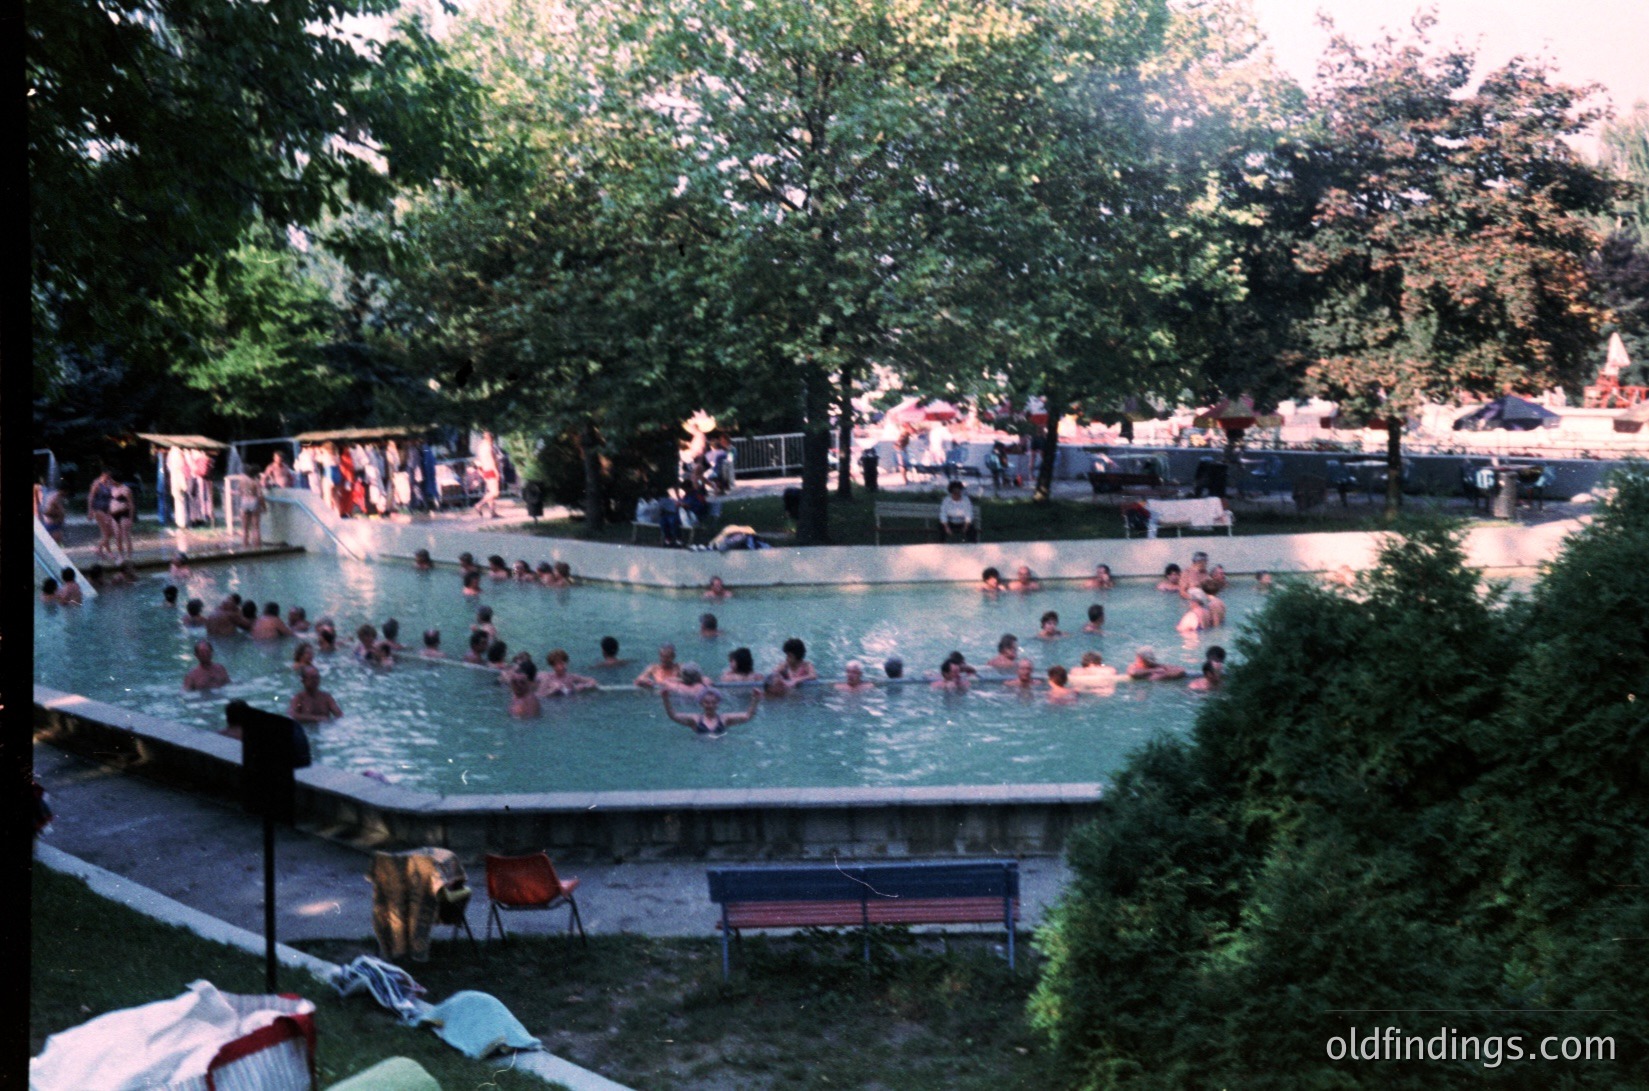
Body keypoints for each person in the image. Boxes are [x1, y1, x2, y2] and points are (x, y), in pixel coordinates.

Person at [662, 687, 759, 736]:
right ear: (701, 704)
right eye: (707, 703)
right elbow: (673, 716)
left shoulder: (725, 719)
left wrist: (756, 699)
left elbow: (747, 716)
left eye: (713, 703)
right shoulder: (695, 719)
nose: (710, 705)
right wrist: (665, 698)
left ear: (718, 704)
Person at [87, 468, 116, 560]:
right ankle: (105, 551)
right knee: (106, 532)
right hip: (98, 509)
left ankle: (101, 550)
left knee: (110, 532)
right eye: (107, 476)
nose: (108, 478)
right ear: (103, 474)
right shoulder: (96, 484)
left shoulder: (110, 483)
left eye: (110, 476)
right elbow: (91, 497)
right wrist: (90, 510)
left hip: (108, 510)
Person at [472, 431, 501, 518]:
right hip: (491, 470)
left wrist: (480, 470)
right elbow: (492, 460)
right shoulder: (489, 447)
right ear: (490, 438)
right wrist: (496, 471)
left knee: (490, 491)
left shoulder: (481, 447)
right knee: (495, 492)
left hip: (485, 470)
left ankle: (492, 512)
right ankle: (479, 505)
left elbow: (478, 460)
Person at [108, 477, 136, 560]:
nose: (110, 481)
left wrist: (131, 518)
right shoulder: (112, 489)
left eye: (111, 480)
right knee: (117, 536)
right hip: (114, 514)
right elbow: (111, 502)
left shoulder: (126, 489)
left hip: (124, 514)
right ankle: (121, 555)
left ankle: (129, 556)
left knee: (126, 535)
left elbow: (131, 504)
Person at [240, 476, 265, 548]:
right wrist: (264, 507)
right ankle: (257, 548)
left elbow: (240, 492)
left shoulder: (242, 480)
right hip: (253, 502)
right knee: (256, 528)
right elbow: (260, 495)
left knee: (245, 529)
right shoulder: (256, 481)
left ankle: (245, 547)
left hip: (244, 502)